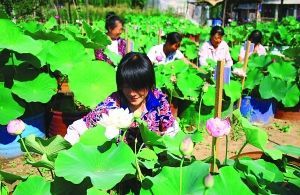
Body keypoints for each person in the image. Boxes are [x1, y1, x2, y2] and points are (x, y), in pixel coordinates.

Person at [65, 52, 179, 145]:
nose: (132, 93)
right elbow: (80, 127)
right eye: (127, 86)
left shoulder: (158, 99)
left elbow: (170, 128)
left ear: (149, 83)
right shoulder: (111, 104)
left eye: (138, 86)